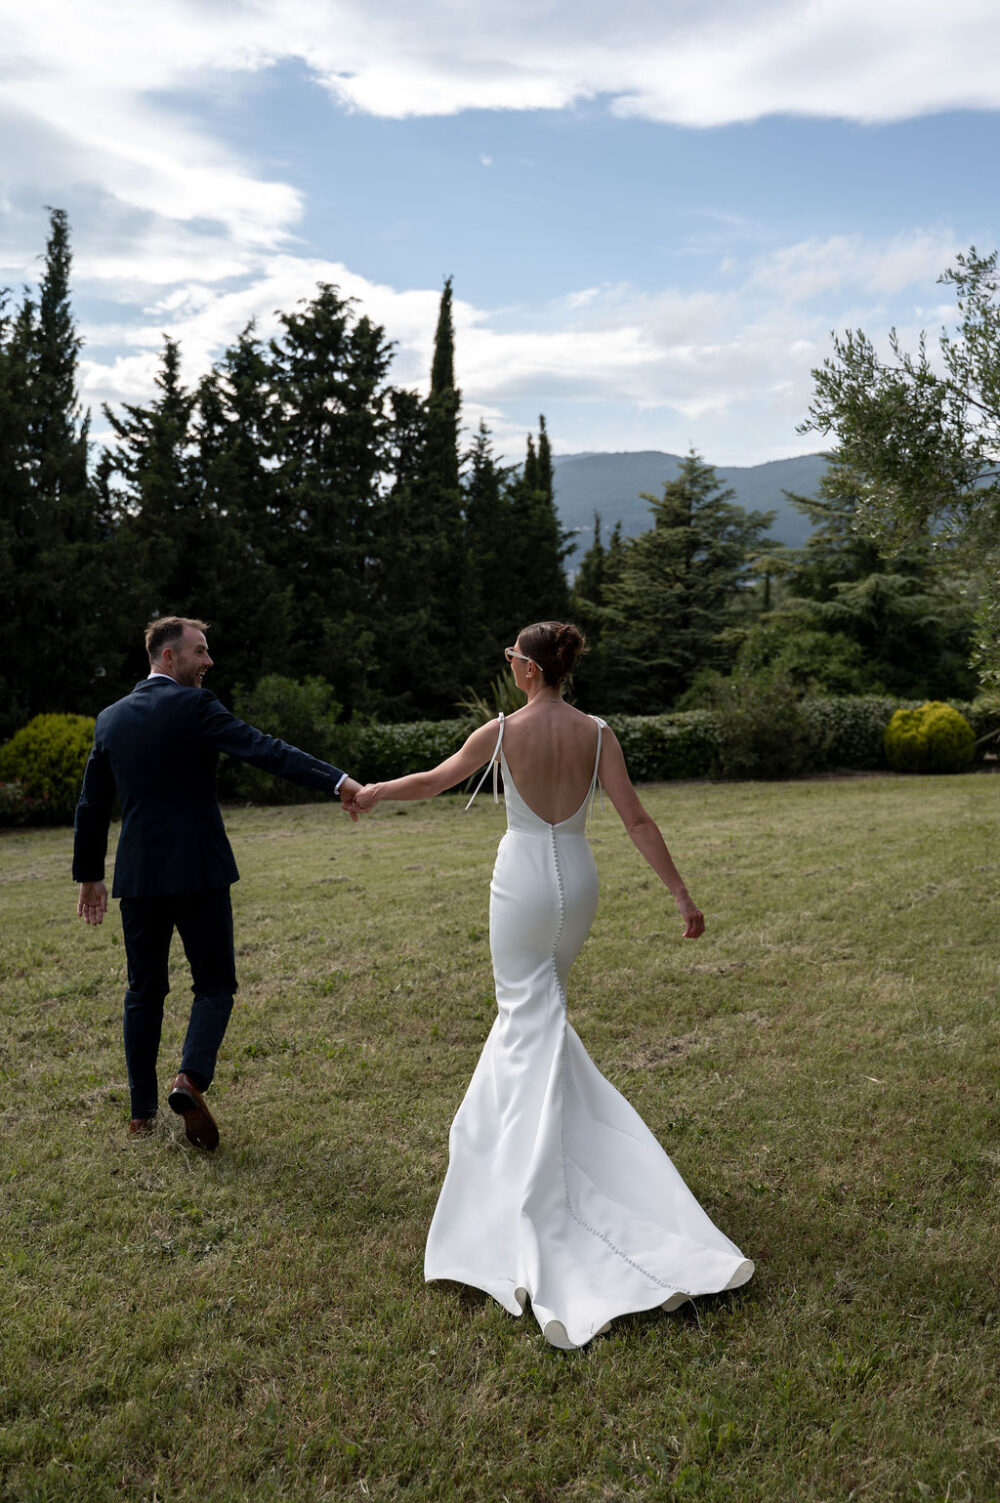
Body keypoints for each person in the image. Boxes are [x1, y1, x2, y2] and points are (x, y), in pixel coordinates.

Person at [353, 620, 753, 1349]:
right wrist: (682, 895)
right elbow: (634, 816)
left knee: (524, 1017)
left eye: (511, 657)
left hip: (525, 882)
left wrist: (374, 791)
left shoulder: (502, 730)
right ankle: (550, 1154)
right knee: (540, 1017)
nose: (508, 666)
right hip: (580, 881)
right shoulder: (598, 732)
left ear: (530, 669)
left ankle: (529, 1182)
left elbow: (437, 780)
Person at [73, 615, 363, 1150]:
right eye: (200, 652)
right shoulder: (195, 706)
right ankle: (190, 1080)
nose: (209, 662)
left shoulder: (110, 719)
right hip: (200, 869)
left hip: (138, 877)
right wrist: (338, 780)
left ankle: (140, 1116)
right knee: (214, 985)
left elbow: (91, 804)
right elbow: (265, 749)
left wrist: (89, 875)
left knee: (143, 990)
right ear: (168, 657)